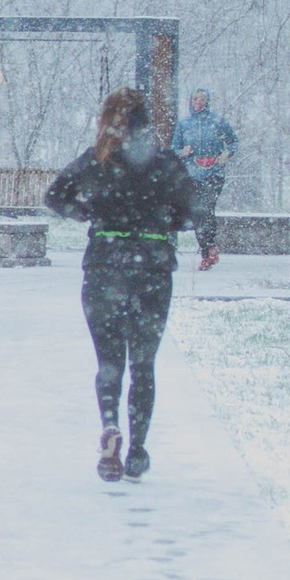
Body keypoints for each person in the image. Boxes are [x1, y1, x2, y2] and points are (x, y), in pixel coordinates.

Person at [46, 87, 204, 484]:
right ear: (145, 122)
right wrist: (166, 220)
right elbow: (196, 213)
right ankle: (136, 452)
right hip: (151, 267)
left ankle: (110, 422)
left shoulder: (97, 159)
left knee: (109, 362)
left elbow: (54, 196)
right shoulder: (165, 162)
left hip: (104, 265)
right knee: (144, 363)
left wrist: (86, 212)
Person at [171, 86, 237, 268]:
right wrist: (182, 152)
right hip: (192, 175)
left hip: (214, 174)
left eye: (202, 99)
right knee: (197, 211)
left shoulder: (218, 121)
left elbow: (233, 141)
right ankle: (207, 249)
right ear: (190, 101)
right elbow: (174, 149)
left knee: (206, 207)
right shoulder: (184, 124)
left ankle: (209, 248)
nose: (198, 103)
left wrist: (226, 154)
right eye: (195, 99)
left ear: (207, 101)